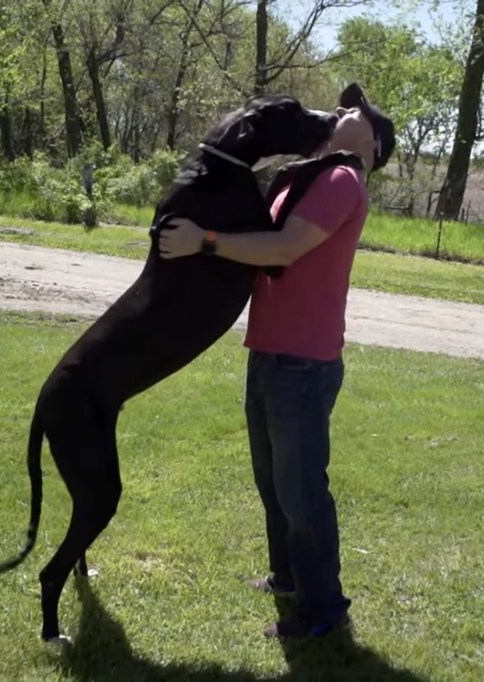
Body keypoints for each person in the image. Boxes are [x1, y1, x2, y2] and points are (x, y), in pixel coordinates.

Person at [158, 83, 396, 639]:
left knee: (301, 489)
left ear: (374, 143)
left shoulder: (341, 179)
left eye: (353, 109)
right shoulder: (306, 176)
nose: (340, 109)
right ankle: (288, 580)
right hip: (271, 350)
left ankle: (323, 611)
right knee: (273, 482)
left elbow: (285, 248)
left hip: (303, 362)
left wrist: (203, 241)